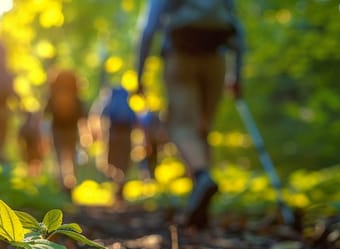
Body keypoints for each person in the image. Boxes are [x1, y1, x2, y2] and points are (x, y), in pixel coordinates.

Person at [136, 0, 245, 228]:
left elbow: (148, 30)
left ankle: (202, 176)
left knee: (182, 126)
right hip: (216, 58)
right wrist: (237, 74)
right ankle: (200, 209)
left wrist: (139, 75)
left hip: (180, 56)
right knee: (203, 129)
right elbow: (237, 30)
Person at [44, 69, 85, 194]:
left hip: (56, 130)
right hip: (72, 130)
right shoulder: (75, 91)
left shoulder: (53, 91)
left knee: (59, 158)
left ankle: (61, 184)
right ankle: (71, 185)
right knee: (71, 157)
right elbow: (82, 113)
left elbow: (46, 113)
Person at [100, 86, 138, 204]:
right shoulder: (127, 104)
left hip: (113, 136)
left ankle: (117, 186)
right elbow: (135, 120)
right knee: (124, 163)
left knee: (113, 163)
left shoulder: (110, 101)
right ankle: (121, 188)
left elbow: (102, 115)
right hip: (126, 137)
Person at [18, 110, 47, 177]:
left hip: (31, 150)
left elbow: (19, 139)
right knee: (34, 165)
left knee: (33, 165)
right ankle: (34, 178)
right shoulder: (35, 126)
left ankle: (34, 178)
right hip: (32, 150)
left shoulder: (26, 127)